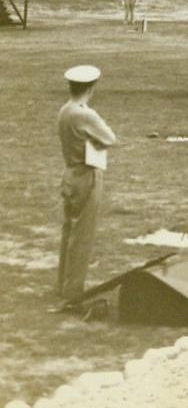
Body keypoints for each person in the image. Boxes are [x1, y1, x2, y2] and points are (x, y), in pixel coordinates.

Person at [57, 65, 117, 307]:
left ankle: (63, 283)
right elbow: (110, 138)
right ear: (91, 87)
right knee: (82, 234)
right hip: (86, 175)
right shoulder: (85, 114)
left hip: (70, 172)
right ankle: (73, 291)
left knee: (69, 231)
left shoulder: (65, 110)